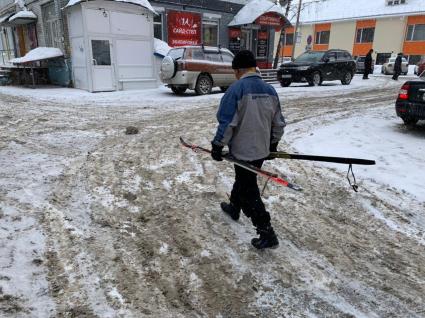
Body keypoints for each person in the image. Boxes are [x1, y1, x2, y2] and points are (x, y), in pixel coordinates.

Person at [210, 50, 286, 249]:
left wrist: (217, 145)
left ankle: (266, 231)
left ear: (238, 70)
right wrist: (272, 144)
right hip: (261, 151)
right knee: (244, 180)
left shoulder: (236, 90)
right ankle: (234, 207)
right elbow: (278, 123)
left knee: (248, 190)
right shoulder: (270, 91)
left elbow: (227, 123)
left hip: (242, 152)